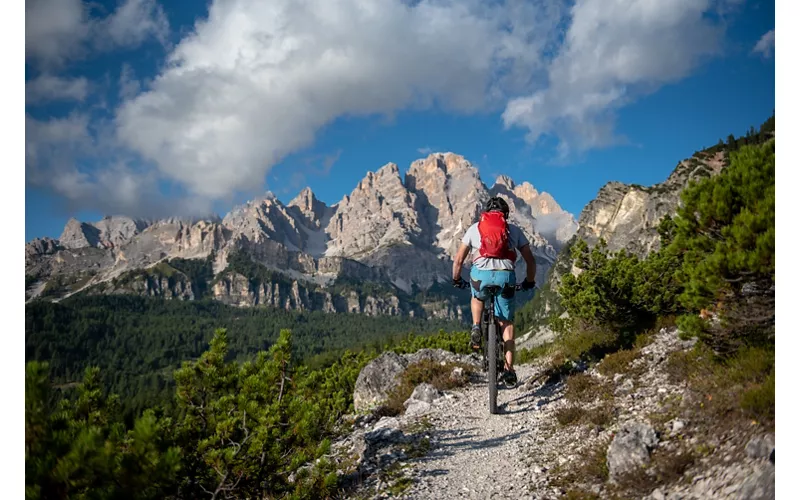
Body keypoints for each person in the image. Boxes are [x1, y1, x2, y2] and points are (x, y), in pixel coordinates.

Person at [452, 196, 536, 386]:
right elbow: (531, 260)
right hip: (505, 277)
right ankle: (509, 369)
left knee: (477, 297)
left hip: (480, 276)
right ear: (505, 215)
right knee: (506, 322)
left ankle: (475, 326)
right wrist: (529, 281)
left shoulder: (474, 228)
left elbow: (458, 261)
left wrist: (456, 279)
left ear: (486, 213)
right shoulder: (513, 230)